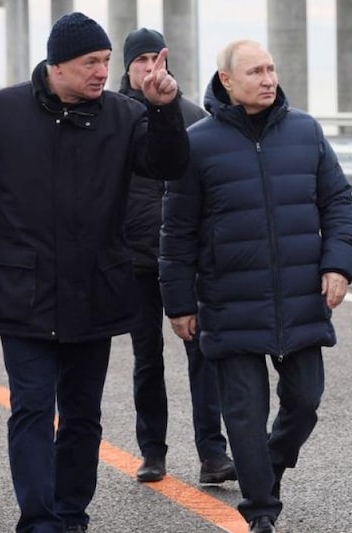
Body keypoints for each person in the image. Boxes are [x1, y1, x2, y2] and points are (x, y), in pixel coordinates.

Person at [0, 12, 189, 533]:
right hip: (24, 290)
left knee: (82, 417)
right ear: (56, 64)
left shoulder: (124, 116)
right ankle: (39, 521)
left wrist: (165, 108)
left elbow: (168, 166)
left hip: (95, 289)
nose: (103, 71)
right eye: (92, 62)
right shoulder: (1, 112)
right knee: (32, 410)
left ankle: (71, 514)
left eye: (107, 61)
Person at [159, 39, 352, 533]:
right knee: (244, 416)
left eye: (271, 69)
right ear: (226, 81)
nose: (268, 79)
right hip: (231, 300)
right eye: (255, 72)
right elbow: (177, 231)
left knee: (305, 401)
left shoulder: (306, 131)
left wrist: (338, 265)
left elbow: (338, 204)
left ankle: (267, 468)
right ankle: (261, 513)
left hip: (300, 299)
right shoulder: (199, 143)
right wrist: (179, 302)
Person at [119, 26, 236, 486]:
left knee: (202, 353)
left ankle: (213, 453)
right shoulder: (113, 118)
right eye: (140, 61)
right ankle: (152, 452)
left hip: (186, 257)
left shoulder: (192, 115)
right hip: (133, 258)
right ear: (126, 68)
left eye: (156, 59)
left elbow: (212, 185)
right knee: (146, 356)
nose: (149, 68)